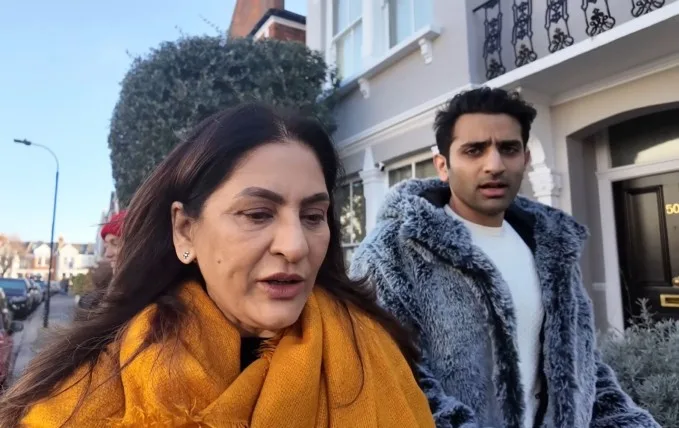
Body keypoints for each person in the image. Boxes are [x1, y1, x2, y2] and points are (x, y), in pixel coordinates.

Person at [0, 104, 435, 427]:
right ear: (185, 230)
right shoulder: (85, 392)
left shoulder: (377, 355)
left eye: (312, 216)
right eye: (257, 214)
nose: (295, 246)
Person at [351, 88, 659, 428]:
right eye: (474, 150)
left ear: (525, 159)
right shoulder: (392, 252)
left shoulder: (551, 249)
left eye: (508, 149)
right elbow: (392, 381)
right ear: (443, 165)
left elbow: (582, 370)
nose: (494, 165)